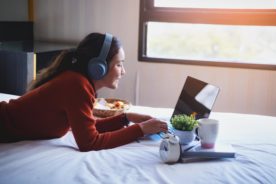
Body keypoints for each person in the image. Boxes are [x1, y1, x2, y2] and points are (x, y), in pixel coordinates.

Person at [0, 32, 168, 151]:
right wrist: (141, 129)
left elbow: (86, 128)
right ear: (98, 67)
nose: (123, 71)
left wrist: (126, 119)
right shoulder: (77, 85)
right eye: (119, 64)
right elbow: (90, 142)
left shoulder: (78, 82)